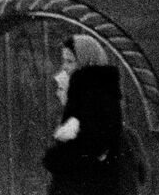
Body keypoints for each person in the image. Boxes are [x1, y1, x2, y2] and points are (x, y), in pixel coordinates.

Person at [43, 35, 130, 195]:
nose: (65, 67)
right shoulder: (93, 90)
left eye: (70, 61)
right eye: (64, 61)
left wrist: (54, 158)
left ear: (86, 61)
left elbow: (86, 149)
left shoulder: (91, 93)